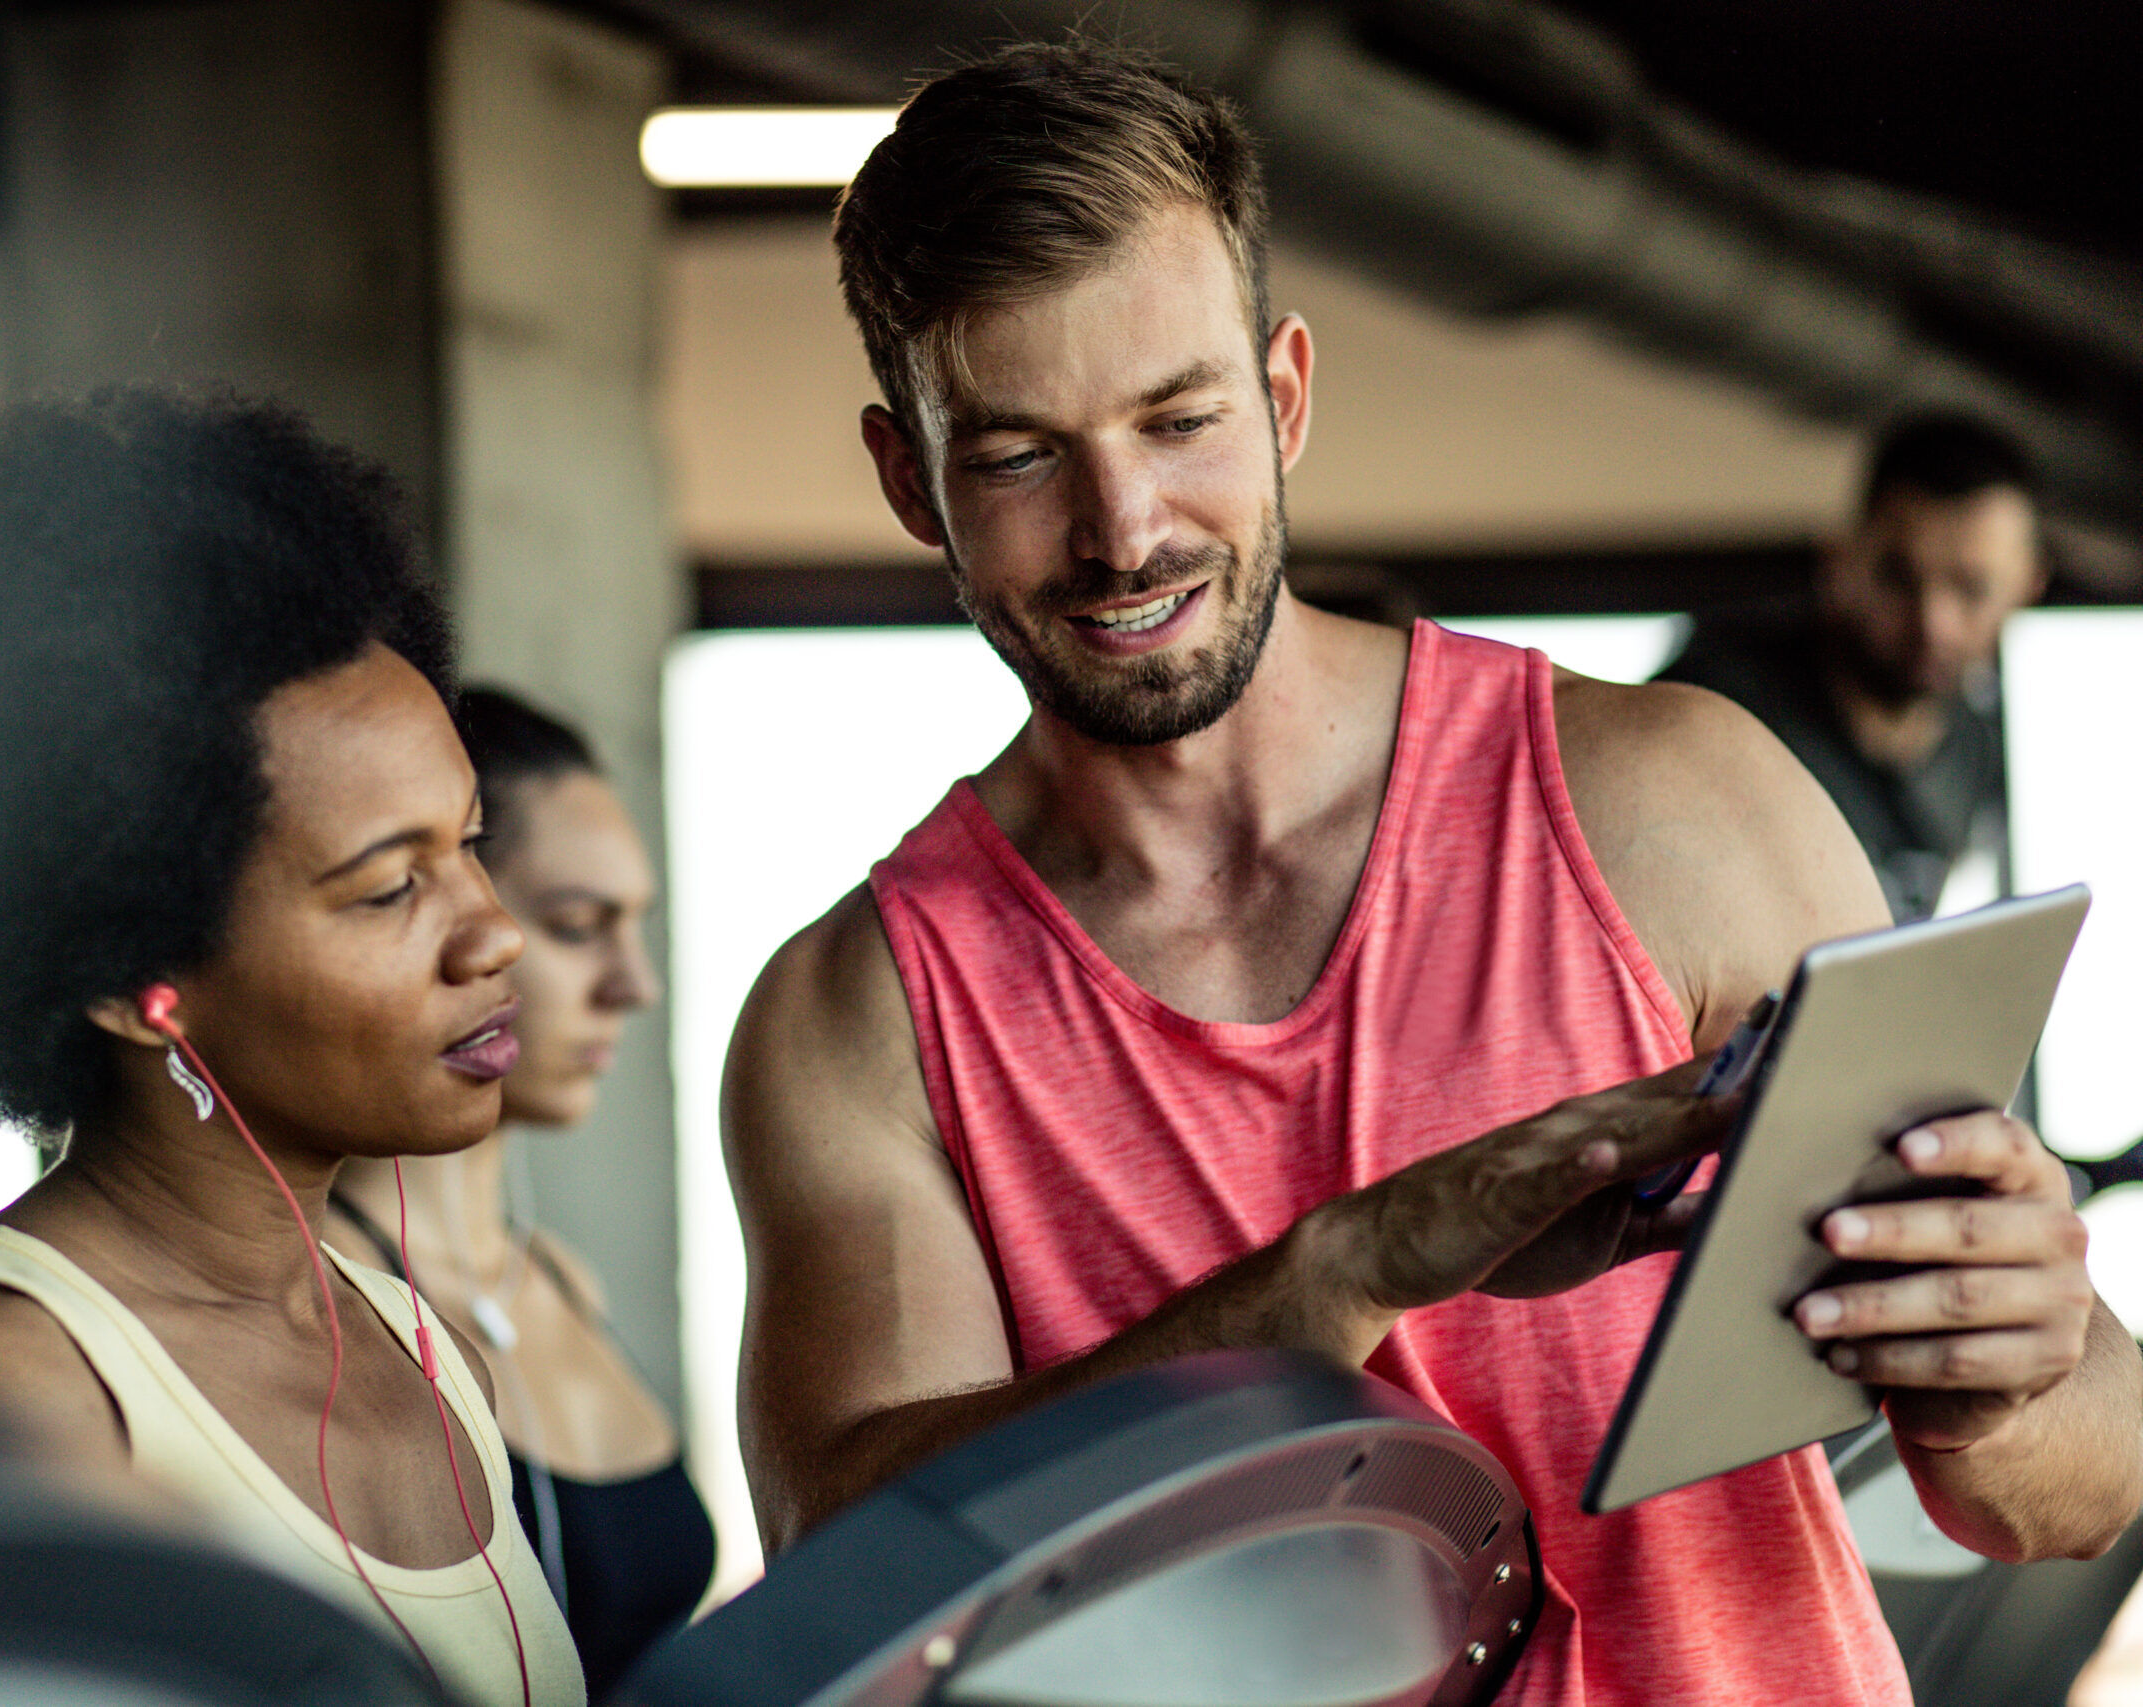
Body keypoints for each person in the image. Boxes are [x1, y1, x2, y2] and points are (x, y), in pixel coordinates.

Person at [723, 43, 2140, 1707]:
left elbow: (2071, 1486)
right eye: (1021, 454)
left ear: (1285, 398)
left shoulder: (1674, 805)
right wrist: (1336, 1276)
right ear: (910, 477)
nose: (1124, 530)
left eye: (1180, 420)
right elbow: (850, 1578)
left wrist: (2018, 1361)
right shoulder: (864, 1016)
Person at [0, 388, 584, 1707]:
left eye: (470, 844)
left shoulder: (412, 1335)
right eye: (390, 888)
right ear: (128, 973)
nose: (493, 934)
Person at [326, 686, 716, 1695]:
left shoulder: (562, 1280)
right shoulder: (320, 1301)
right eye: (579, 925)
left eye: (634, 926)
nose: (636, 983)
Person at [1659, 412, 2046, 922]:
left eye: (1973, 589)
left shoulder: (1974, 750)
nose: (1934, 623)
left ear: (2026, 588)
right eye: (1897, 577)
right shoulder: (1719, 705)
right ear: (1842, 561)